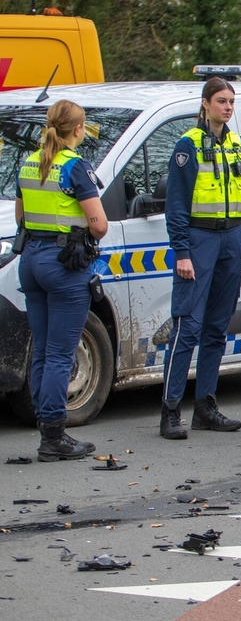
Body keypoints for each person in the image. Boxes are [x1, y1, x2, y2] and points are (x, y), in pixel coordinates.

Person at [159, 77, 241, 440]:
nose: (228, 107)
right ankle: (171, 410)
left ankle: (205, 406)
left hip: (232, 238)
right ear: (205, 104)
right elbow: (175, 205)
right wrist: (182, 252)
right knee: (187, 326)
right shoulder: (187, 146)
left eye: (231, 101)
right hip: (200, 238)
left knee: (217, 328)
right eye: (221, 100)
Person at [16, 100, 108, 461]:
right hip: (64, 264)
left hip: (32, 259)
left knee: (42, 349)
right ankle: (54, 436)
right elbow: (98, 224)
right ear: (78, 129)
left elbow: (23, 216)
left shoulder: (28, 161)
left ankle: (45, 426)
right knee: (59, 353)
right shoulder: (75, 167)